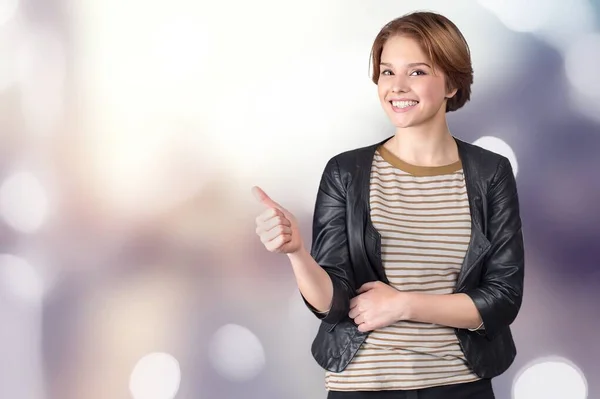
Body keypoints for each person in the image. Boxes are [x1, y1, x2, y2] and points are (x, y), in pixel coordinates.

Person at [253, 10, 524, 399]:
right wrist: (297, 253)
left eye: (417, 72)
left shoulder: (489, 173)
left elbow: (502, 298)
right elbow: (334, 303)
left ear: (451, 83)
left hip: (460, 385)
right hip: (363, 386)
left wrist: (403, 305)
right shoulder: (346, 172)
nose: (397, 87)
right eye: (386, 72)